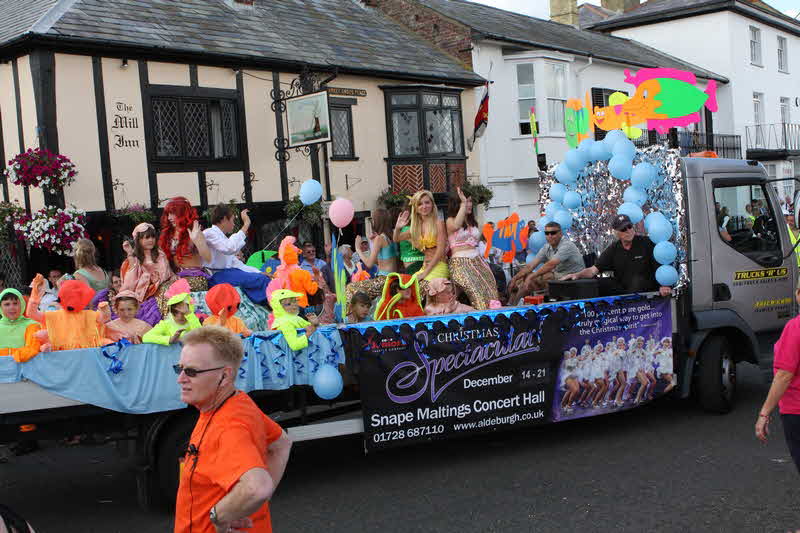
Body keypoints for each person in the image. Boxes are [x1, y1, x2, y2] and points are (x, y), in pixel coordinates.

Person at [174, 326, 291, 533]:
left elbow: (257, 487)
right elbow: (282, 443)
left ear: (224, 376)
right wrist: (250, 507)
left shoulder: (227, 426)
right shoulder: (238, 401)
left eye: (191, 371)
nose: (180, 378)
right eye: (179, 368)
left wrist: (218, 516)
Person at [563, 215, 673, 297]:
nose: (628, 231)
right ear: (616, 233)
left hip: (645, 290)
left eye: (629, 227)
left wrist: (664, 285)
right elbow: (593, 270)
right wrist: (577, 275)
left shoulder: (647, 243)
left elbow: (662, 267)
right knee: (598, 283)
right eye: (623, 229)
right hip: (624, 289)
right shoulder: (614, 248)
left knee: (638, 280)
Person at [203, 204, 270, 305]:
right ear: (224, 219)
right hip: (216, 276)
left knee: (263, 278)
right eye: (233, 220)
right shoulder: (209, 233)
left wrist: (259, 272)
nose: (234, 224)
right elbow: (229, 248)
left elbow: (236, 264)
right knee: (261, 280)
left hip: (227, 273)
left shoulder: (221, 237)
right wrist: (246, 225)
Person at [445, 188, 499, 310]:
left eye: (470, 201)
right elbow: (456, 225)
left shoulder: (473, 222)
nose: (469, 204)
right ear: (457, 204)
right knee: (477, 293)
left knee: (491, 292)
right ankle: (482, 319)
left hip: (478, 261)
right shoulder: (450, 221)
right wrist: (463, 205)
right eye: (465, 201)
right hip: (460, 263)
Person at [507, 221, 584, 304]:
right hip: (559, 276)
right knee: (520, 280)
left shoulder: (567, 245)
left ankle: (516, 305)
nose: (549, 236)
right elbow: (530, 266)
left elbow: (551, 264)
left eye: (553, 233)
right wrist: (515, 278)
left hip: (575, 278)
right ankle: (511, 305)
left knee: (538, 278)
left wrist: (531, 276)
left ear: (560, 233)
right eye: (547, 233)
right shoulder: (547, 247)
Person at [31, 279, 117, 351]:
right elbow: (32, 314)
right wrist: (34, 299)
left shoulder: (89, 314)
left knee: (109, 344)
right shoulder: (54, 315)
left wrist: (104, 309)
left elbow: (104, 318)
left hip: (86, 352)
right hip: (64, 353)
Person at [116, 222, 175, 325]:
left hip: (164, 290)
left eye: (152, 237)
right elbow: (131, 281)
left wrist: (165, 279)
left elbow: (168, 273)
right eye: (146, 237)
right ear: (138, 240)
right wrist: (130, 254)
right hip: (146, 296)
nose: (151, 240)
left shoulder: (160, 254)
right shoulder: (135, 258)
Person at [393, 190, 449, 283]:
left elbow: (440, 251)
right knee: (408, 286)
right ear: (416, 208)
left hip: (439, 265)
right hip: (425, 266)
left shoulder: (438, 223)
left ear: (432, 204)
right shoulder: (416, 227)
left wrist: (424, 274)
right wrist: (397, 228)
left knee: (424, 286)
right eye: (420, 204)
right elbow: (396, 239)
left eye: (427, 202)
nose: (424, 206)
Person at [159, 196, 212, 292]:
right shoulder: (167, 234)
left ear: (182, 213)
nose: (169, 217)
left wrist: (198, 242)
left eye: (173, 213)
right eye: (168, 214)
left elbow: (208, 258)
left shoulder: (194, 231)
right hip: (175, 276)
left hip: (194, 276)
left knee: (170, 291)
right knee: (161, 290)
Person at [266, 236, 323, 310]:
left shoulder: (277, 274)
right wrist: (317, 277)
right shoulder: (302, 273)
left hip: (285, 309)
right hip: (301, 307)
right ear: (295, 256)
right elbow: (312, 291)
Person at [143, 281, 202, 346]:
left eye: (183, 313)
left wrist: (189, 314)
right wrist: (169, 340)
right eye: (175, 313)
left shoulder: (193, 321)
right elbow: (146, 337)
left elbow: (201, 336)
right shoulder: (166, 324)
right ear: (170, 312)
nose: (180, 317)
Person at [0, 288, 42, 363]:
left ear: (22, 304)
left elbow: (32, 348)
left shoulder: (32, 325)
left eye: (15, 303)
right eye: (7, 304)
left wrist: (13, 355)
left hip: (26, 368)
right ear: (1, 307)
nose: (11, 307)